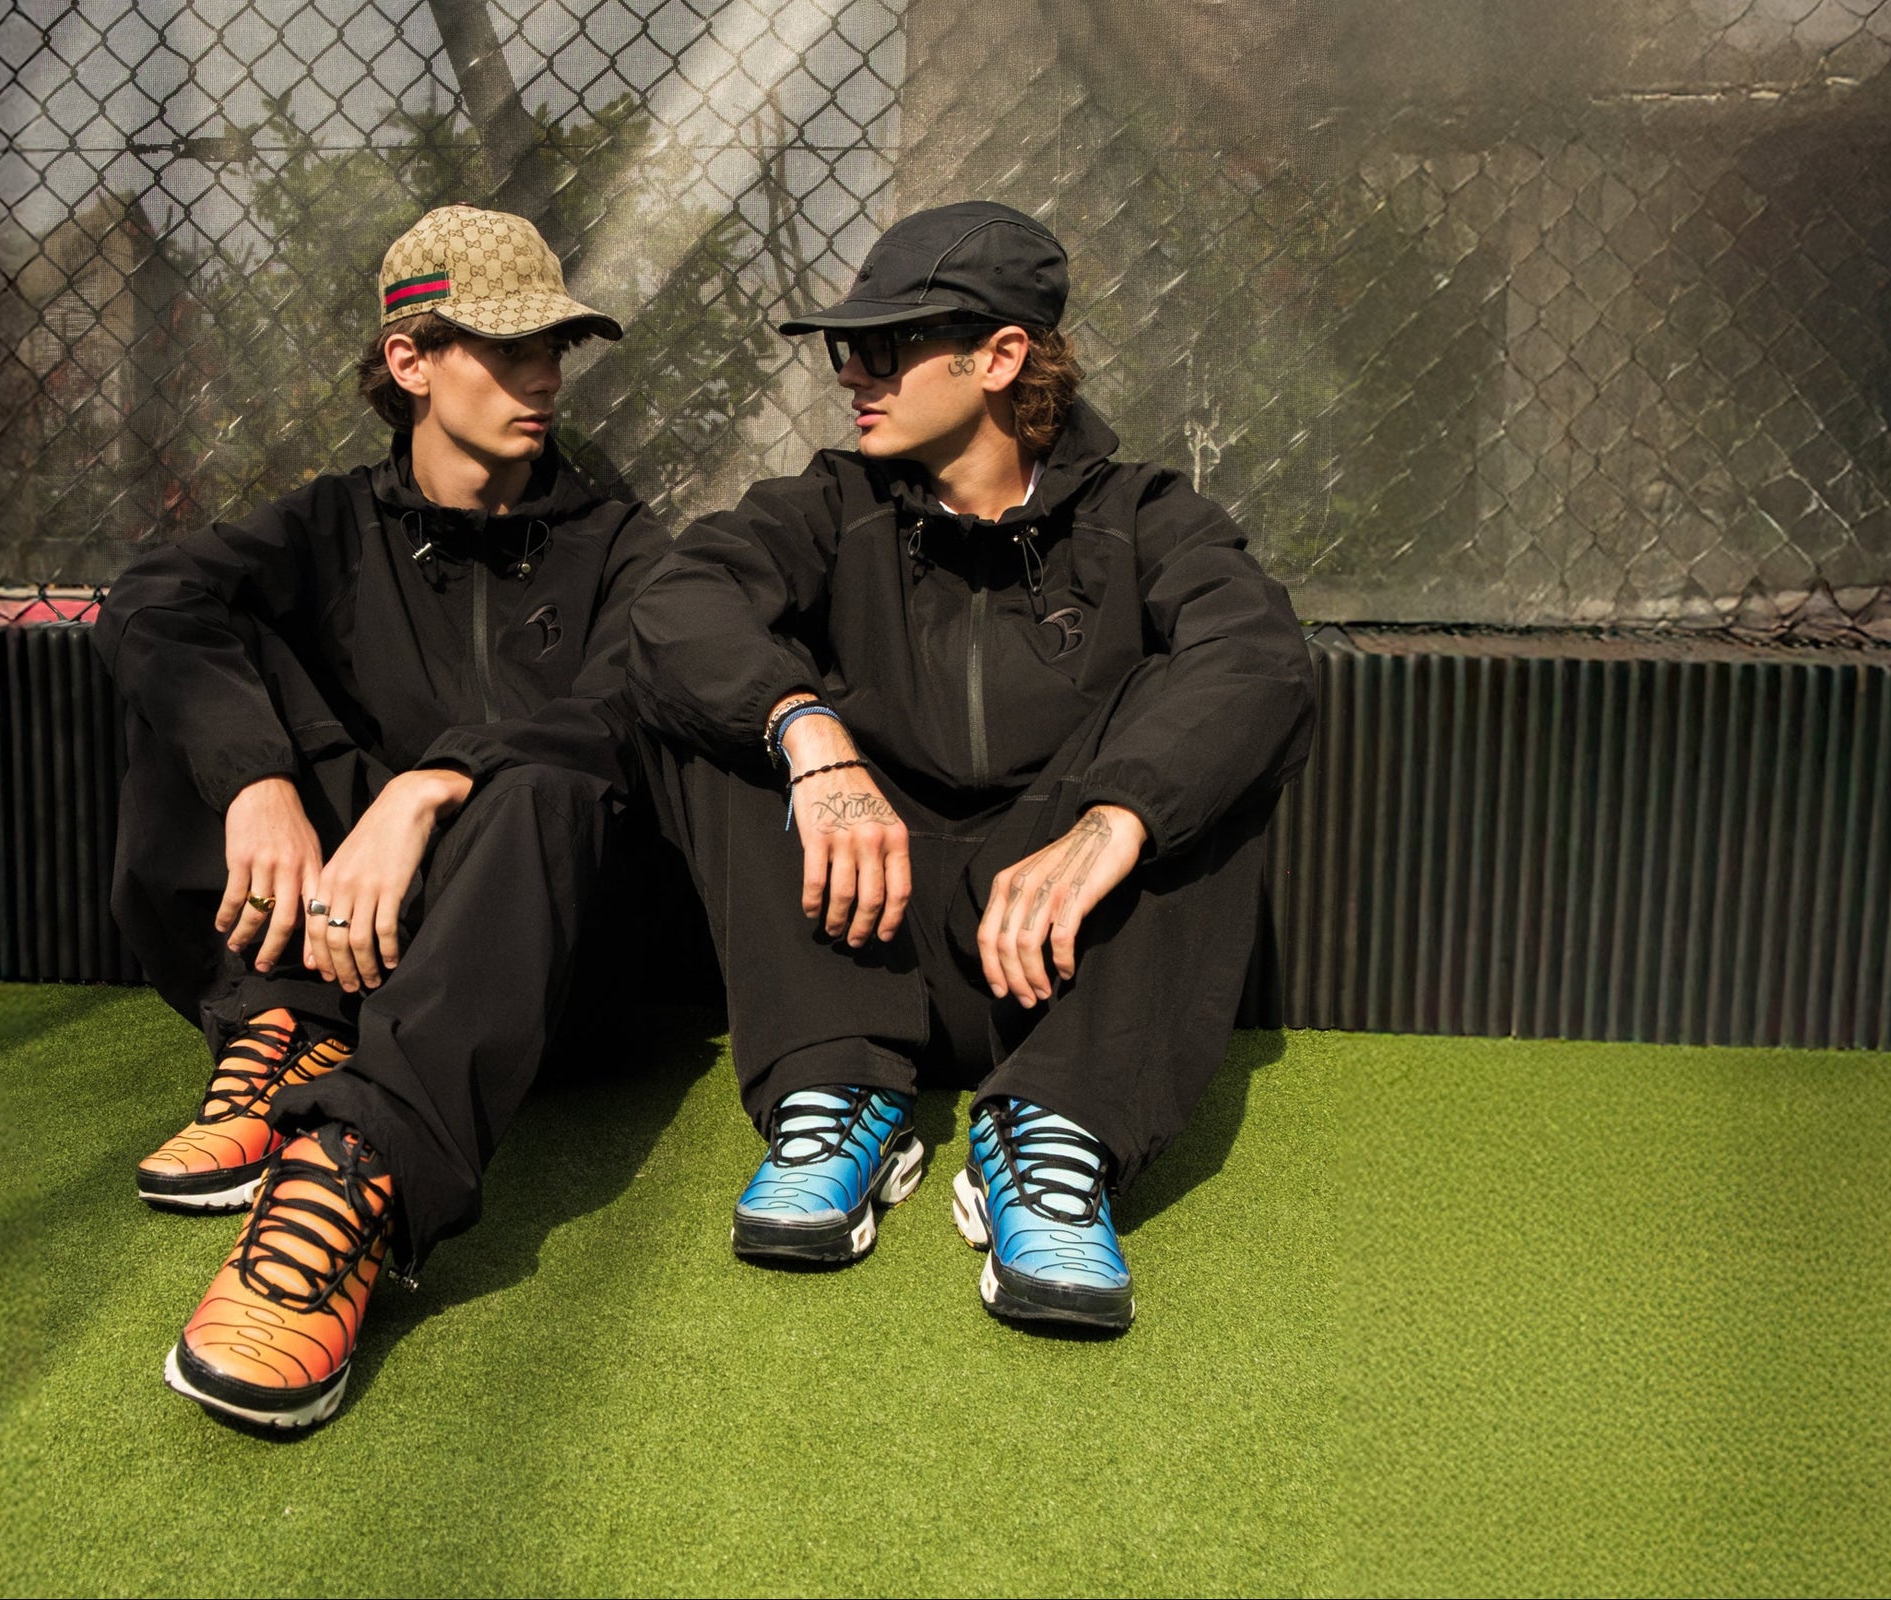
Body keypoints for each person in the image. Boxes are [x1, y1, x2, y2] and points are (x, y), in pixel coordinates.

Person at [625, 201, 1315, 1329]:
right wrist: (808, 730)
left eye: (890, 344)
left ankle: (1054, 1135)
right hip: (863, 933)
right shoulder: (828, 505)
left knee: (1202, 726)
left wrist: (1113, 820)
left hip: (1057, 971)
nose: (855, 373)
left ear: (998, 357)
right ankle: (836, 1093)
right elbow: (674, 605)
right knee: (725, 689)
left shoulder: (1145, 517)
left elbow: (1260, 659)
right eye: (849, 347)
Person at [94, 204, 661, 1428]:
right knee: (198, 642)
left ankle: (355, 1170)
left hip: (545, 968)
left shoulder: (618, 541)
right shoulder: (331, 524)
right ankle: (284, 1020)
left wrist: (433, 780)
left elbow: (629, 702)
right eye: (508, 349)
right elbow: (152, 599)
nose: (546, 376)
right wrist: (258, 780)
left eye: (556, 347)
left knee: (556, 774)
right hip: (354, 932)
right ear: (411, 361)